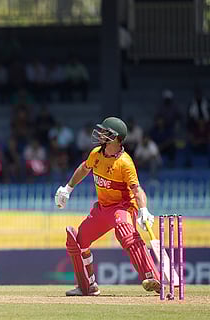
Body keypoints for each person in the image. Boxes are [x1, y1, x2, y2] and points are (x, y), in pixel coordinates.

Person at [54, 117, 160, 296]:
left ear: (116, 138)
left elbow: (137, 189)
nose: (100, 134)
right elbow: (84, 168)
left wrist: (143, 210)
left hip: (123, 207)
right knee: (77, 242)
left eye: (105, 132)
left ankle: (152, 278)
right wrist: (68, 188)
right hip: (103, 208)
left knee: (124, 231)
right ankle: (87, 286)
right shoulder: (96, 153)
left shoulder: (125, 163)